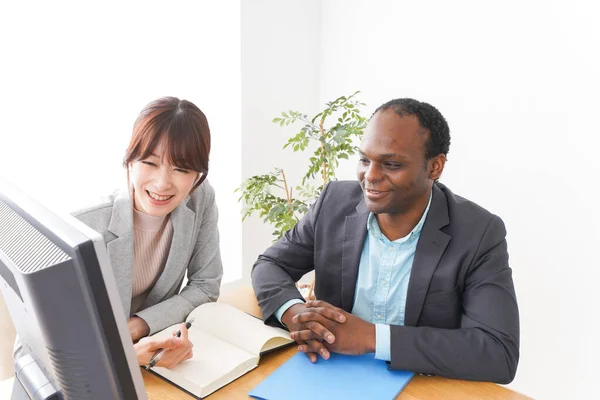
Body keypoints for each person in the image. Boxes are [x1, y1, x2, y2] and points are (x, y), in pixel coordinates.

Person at [251, 98, 519, 383]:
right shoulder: (334, 203)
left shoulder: (478, 233)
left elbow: (497, 352)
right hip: (327, 373)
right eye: (365, 160)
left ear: (435, 167)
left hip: (419, 385)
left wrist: (372, 338)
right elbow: (270, 264)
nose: (371, 176)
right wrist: (297, 314)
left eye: (391, 164)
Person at [74, 96, 223, 368]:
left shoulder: (200, 198)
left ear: (198, 175)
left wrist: (139, 327)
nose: (163, 183)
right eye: (150, 163)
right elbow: (44, 343)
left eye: (181, 168)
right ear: (130, 161)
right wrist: (125, 355)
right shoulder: (83, 225)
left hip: (159, 358)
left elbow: (206, 285)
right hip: (94, 368)